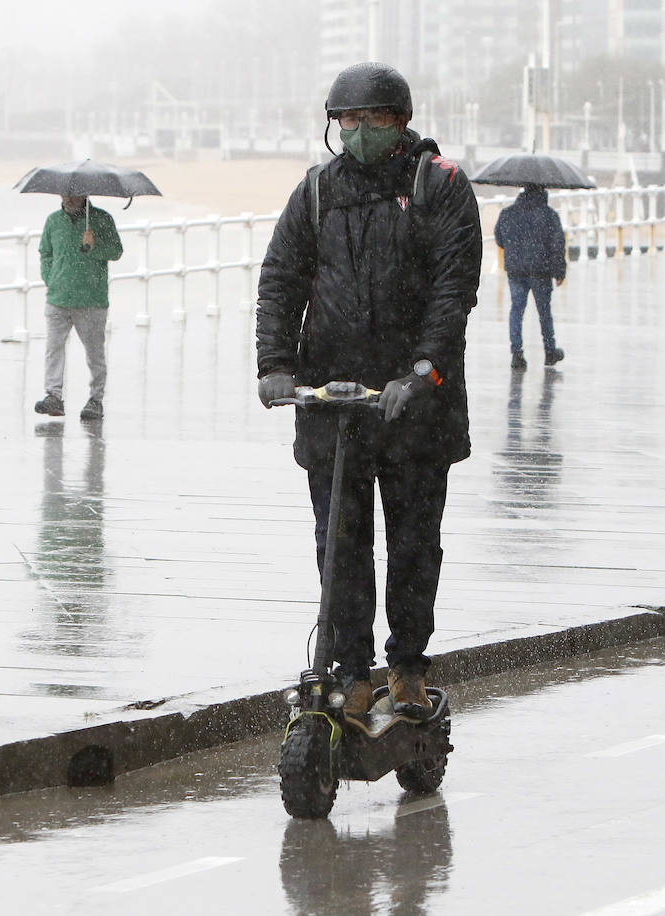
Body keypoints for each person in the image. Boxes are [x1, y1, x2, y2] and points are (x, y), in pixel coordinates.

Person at [255, 62, 482, 716]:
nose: (357, 131)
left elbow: (453, 290)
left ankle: (407, 666)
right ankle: (353, 673)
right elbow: (281, 279)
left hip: (416, 407)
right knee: (341, 549)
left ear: (400, 121)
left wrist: (422, 372)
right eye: (346, 121)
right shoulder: (317, 193)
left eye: (371, 120)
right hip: (333, 405)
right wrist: (275, 363)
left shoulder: (439, 187)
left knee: (412, 545)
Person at [34, 195, 123, 421]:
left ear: (85, 194)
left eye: (74, 193)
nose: (69, 197)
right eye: (64, 193)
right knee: (53, 348)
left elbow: (116, 251)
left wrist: (94, 246)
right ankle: (53, 396)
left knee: (94, 353)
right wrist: (49, 277)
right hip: (57, 298)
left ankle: (96, 400)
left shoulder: (102, 219)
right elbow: (45, 253)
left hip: (91, 300)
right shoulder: (53, 221)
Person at [494, 185, 566, 369]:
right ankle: (550, 352)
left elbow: (499, 238)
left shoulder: (508, 213)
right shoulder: (549, 215)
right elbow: (557, 245)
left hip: (516, 270)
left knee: (516, 311)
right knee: (544, 312)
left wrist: (515, 251)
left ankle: (517, 354)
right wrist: (559, 271)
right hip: (541, 271)